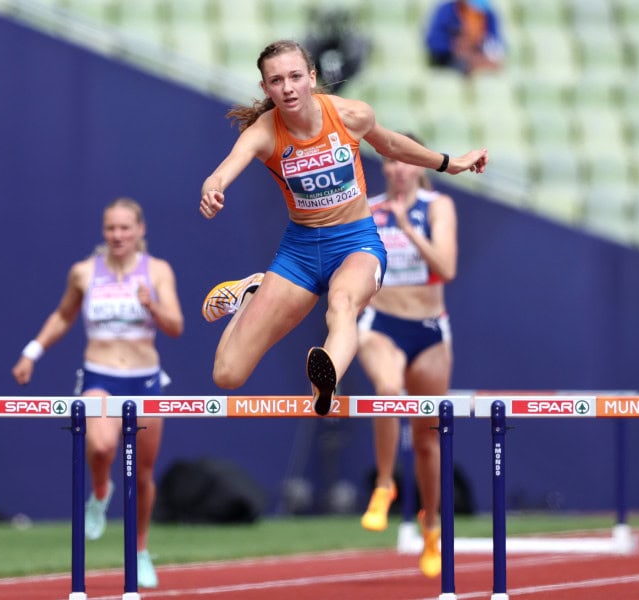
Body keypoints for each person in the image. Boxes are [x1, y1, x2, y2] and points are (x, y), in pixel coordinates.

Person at [198, 39, 486, 418]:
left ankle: (325, 383)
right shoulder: (263, 132)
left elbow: (392, 145)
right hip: (299, 254)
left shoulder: (351, 115)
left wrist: (449, 163)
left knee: (343, 303)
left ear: (312, 78)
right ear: (265, 88)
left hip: (355, 244)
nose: (287, 88)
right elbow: (222, 171)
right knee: (228, 375)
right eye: (277, 80)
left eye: (296, 77)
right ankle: (253, 292)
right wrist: (213, 191)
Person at [12, 197, 183, 589]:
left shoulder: (157, 271)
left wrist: (151, 306)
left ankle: (139, 550)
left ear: (141, 230)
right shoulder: (84, 272)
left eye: (125, 228)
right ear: (103, 231)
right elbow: (63, 315)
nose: (118, 235)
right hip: (99, 377)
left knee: (141, 475)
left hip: (145, 381)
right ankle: (101, 491)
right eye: (111, 228)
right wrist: (32, 352)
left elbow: (175, 326)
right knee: (103, 446)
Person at [355, 137, 457, 578]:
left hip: (430, 330)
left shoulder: (437, 207)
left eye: (404, 163)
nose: (397, 170)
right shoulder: (367, 208)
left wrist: (408, 228)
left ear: (419, 167)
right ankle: (384, 485)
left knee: (426, 440)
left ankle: (430, 524)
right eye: (390, 162)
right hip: (382, 324)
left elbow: (448, 268)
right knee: (386, 390)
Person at [425, 0, 506, 76]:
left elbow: (497, 43)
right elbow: (432, 41)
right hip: (450, 59)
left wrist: (479, 43)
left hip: (480, 56)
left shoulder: (487, 14)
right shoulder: (445, 11)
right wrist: (454, 46)